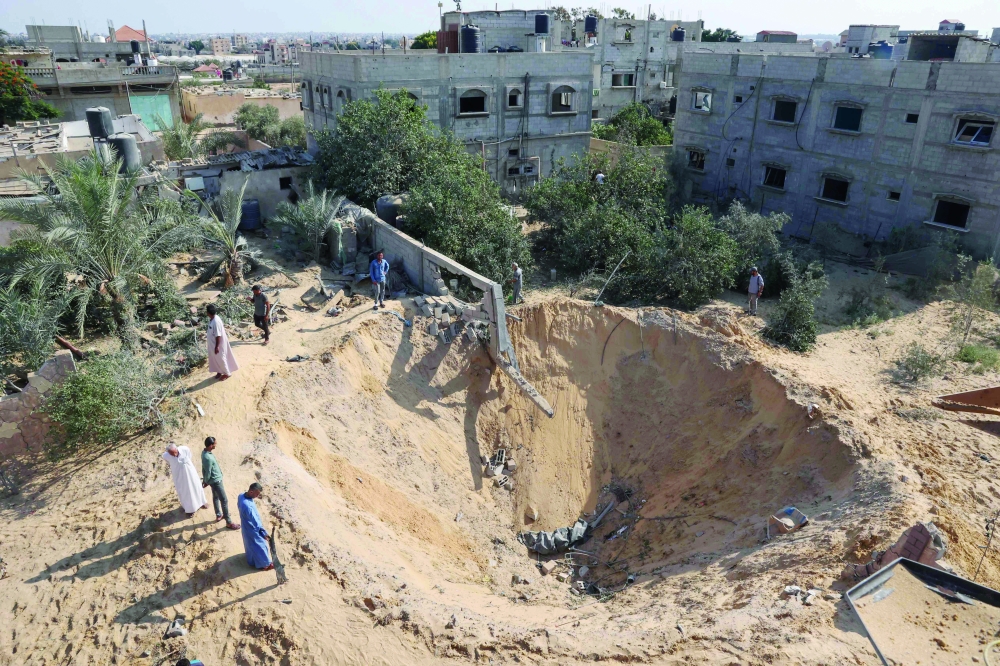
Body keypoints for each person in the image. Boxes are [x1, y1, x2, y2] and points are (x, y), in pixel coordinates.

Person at [202, 437, 240, 530]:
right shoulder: (208, 458)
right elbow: (208, 472)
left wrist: (206, 481)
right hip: (216, 481)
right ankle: (229, 522)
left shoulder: (204, 453)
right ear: (211, 445)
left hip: (213, 481)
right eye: (215, 444)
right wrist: (206, 481)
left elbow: (205, 469)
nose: (216, 445)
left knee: (215, 497)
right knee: (224, 500)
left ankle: (219, 515)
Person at [162, 444, 208, 517]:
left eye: (175, 452)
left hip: (190, 473)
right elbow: (167, 460)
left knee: (196, 486)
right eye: (172, 454)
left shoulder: (184, 449)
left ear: (177, 449)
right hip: (179, 476)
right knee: (184, 491)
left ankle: (202, 502)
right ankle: (189, 509)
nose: (174, 455)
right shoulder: (166, 455)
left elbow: (189, 455)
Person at [237, 483, 274, 571]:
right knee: (260, 545)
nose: (257, 496)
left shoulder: (241, 495)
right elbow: (256, 522)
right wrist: (263, 533)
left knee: (250, 544)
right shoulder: (248, 507)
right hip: (252, 528)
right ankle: (265, 564)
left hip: (245, 524)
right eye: (257, 494)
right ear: (251, 491)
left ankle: (252, 561)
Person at [206, 304, 238, 380]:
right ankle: (219, 371)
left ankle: (227, 373)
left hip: (217, 344)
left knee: (221, 358)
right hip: (213, 344)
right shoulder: (213, 319)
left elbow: (218, 335)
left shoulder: (216, 321)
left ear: (208, 313)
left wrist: (217, 346)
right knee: (215, 359)